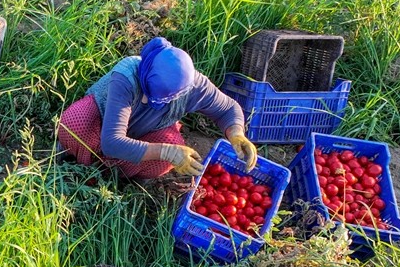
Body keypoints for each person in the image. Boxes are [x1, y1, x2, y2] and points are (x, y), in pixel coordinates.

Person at [56, 37, 258, 179]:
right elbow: (111, 142)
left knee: (166, 158)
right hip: (101, 122)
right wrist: (165, 151)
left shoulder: (194, 85)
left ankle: (116, 174)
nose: (156, 102)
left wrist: (236, 134)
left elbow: (228, 109)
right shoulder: (126, 77)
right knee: (77, 123)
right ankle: (74, 154)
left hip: (144, 133)